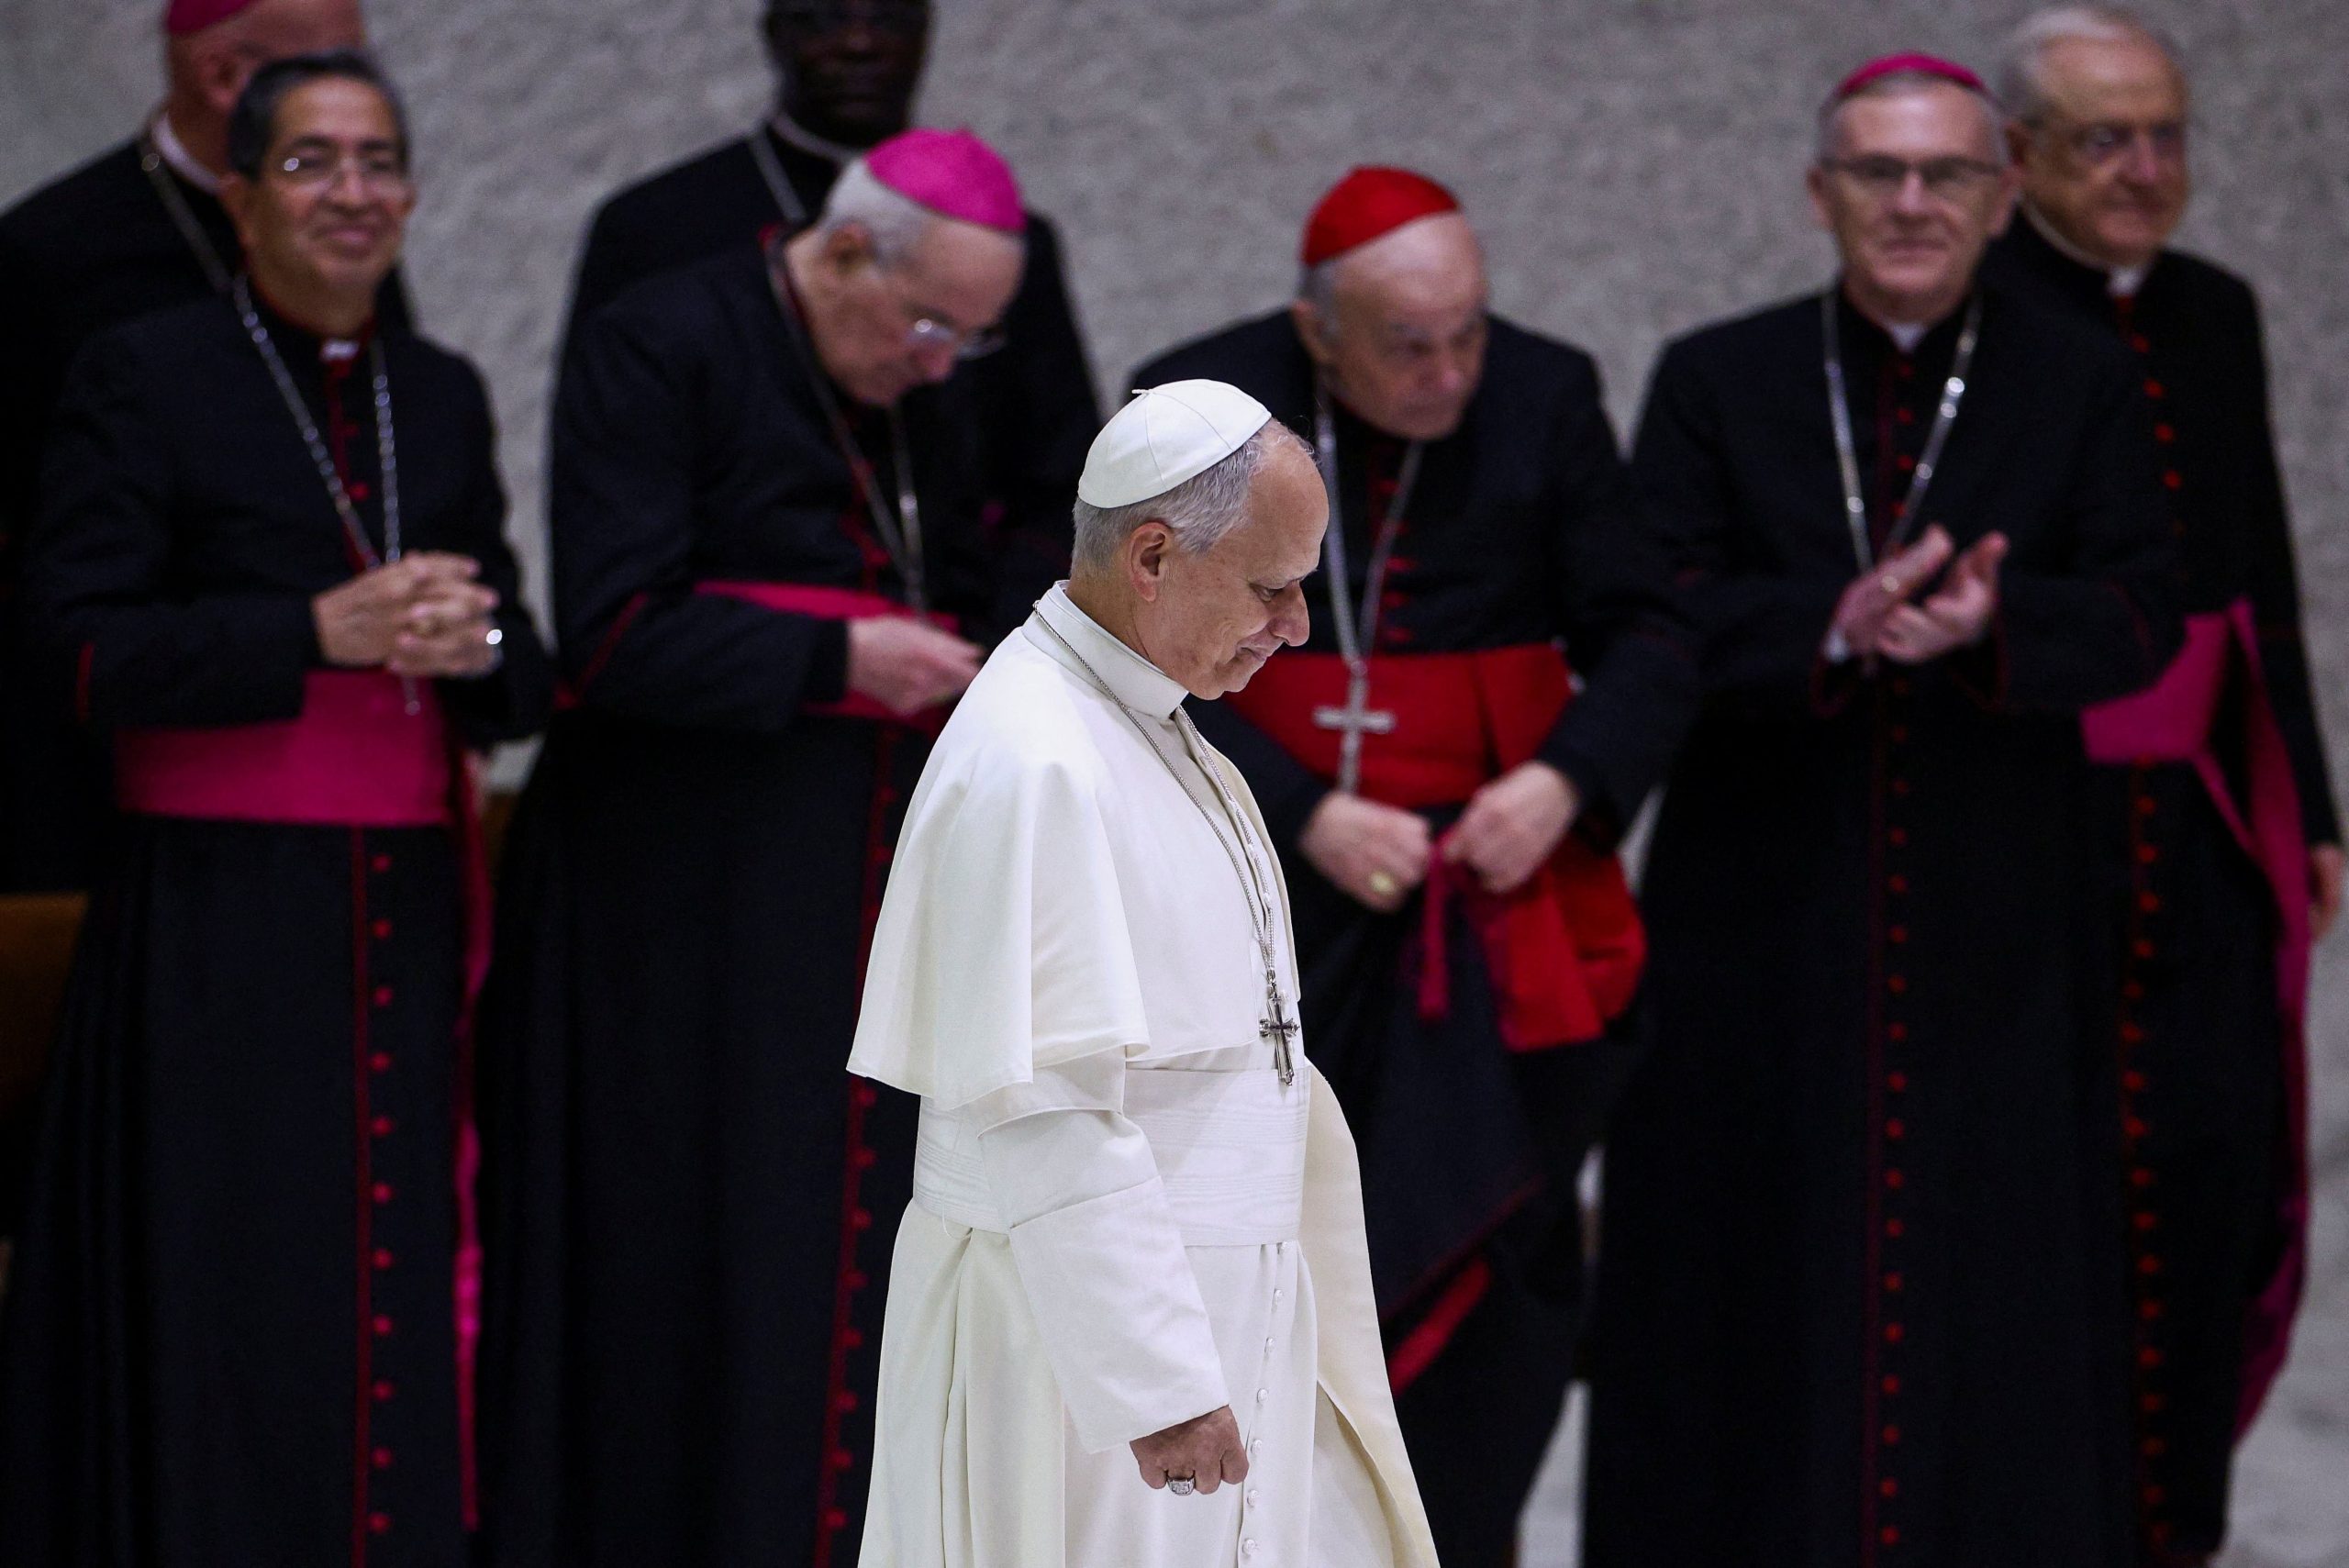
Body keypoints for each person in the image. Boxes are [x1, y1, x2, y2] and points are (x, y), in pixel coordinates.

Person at [1584, 54, 2182, 1568]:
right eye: (1876, 173)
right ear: (1819, 192)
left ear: (2002, 196)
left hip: (2000, 910)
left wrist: (1998, 623)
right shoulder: (1721, 375)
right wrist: (1832, 626)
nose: (1911, 203)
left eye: (1947, 176)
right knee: (1746, 1265)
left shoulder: (2085, 377)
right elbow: (1644, 614)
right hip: (1759, 913)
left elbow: (2145, 612)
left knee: (1996, 1271)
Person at [0, 50, 551, 1565]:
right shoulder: (145, 370)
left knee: (405, 1269)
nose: (353, 193)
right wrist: (316, 632)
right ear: (240, 198)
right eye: (311, 163)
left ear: (413, 194)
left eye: (378, 162)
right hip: (218, 925)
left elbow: (519, 657)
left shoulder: (436, 392)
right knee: (244, 1284)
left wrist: (479, 643)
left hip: (410, 914)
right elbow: (73, 646)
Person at [475, 129, 1052, 1568]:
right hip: (678, 903)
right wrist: (844, 655)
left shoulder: (919, 387)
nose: (938, 367)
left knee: (854, 1262)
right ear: (845, 249)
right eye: (929, 325)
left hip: (866, 886)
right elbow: (611, 626)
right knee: (697, 1257)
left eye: (970, 344)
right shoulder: (660, 339)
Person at [1134, 166, 1697, 1563]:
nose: (1449, 374)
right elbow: (1122, 656)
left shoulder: (1549, 396)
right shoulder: (1198, 405)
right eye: (1407, 346)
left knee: (1491, 1260)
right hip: (1252, 891)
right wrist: (1300, 805)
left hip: (1482, 905)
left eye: (1469, 336)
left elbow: (1650, 634)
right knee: (1242, 1239)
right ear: (1316, 334)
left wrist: (1563, 783)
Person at [851, 380, 1436, 1568]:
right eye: (1272, 586)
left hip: (1211, 1308)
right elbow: (1041, 1103)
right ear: (1155, 554)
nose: (1298, 626)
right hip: (1089, 1353)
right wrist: (1156, 1381)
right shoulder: (1041, 759)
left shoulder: (1142, 722)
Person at [1986, 10, 2343, 1562]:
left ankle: (2179, 1515)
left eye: (2169, 137)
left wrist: (2314, 804)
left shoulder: (2215, 309)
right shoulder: (1980, 312)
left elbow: (2259, 575)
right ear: (2019, 159)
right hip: (2046, 816)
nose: (2147, 173)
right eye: (2105, 140)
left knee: (2214, 1157)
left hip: (2202, 815)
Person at [0, 0, 408, 896]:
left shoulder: (347, 239)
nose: (361, 95)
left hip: (334, 765)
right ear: (227, 76)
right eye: (334, 63)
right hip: (109, 778)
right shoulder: (45, 261)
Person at [559, 0, 1093, 607]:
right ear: (774, 33)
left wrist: (1000, 654)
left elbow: (1063, 488)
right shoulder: (658, 230)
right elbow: (609, 520)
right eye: (825, 16)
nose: (859, 43)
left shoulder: (1000, 245)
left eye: (888, 18)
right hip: (747, 668)